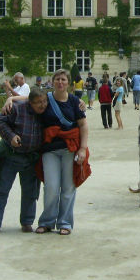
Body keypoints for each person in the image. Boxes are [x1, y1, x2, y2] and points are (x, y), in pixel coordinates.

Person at [0, 87, 48, 235]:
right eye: (38, 102)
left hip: (32, 157)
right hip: (11, 155)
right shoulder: (18, 109)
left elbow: (64, 99)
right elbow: (0, 121)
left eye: (44, 101)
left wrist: (80, 102)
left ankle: (27, 222)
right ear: (30, 103)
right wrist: (11, 136)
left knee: (30, 192)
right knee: (1, 190)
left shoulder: (46, 110)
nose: (42, 105)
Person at [35, 69, 89, 235]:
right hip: (50, 150)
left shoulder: (74, 102)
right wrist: (10, 98)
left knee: (68, 187)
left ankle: (65, 222)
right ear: (52, 82)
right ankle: (47, 221)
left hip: (69, 149)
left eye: (63, 79)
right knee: (51, 186)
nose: (60, 82)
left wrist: (82, 149)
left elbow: (83, 126)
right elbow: (29, 100)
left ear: (68, 83)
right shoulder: (46, 99)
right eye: (57, 79)